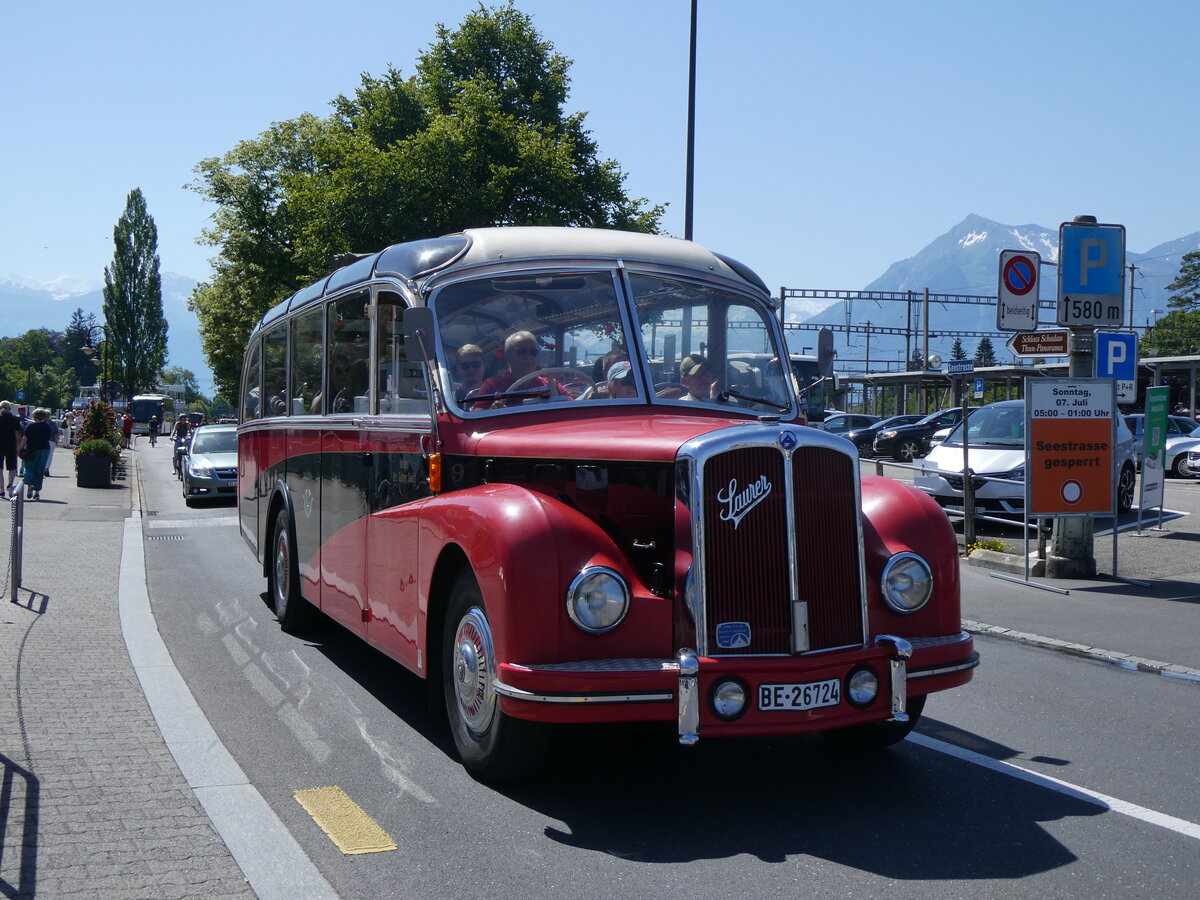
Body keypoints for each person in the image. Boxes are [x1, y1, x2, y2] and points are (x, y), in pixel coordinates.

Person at [476, 331, 568, 407]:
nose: (529, 356)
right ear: (508, 355)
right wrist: (492, 411)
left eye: (533, 351)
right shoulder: (492, 386)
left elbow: (572, 407)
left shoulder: (551, 384)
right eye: (521, 351)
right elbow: (477, 415)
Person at [18, 408, 54, 501]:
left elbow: (24, 439)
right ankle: (37, 492)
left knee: (29, 468)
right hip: (44, 449)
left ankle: (30, 485)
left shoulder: (30, 426)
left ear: (34, 416)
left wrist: (19, 449)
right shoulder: (47, 426)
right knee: (40, 470)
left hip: (32, 450)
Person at [0, 400, 20, 498]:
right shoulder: (15, 419)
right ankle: (10, 485)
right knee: (12, 467)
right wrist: (19, 446)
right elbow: (17, 434)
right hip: (11, 445)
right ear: (10, 408)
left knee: (0, 468)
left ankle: (1, 489)